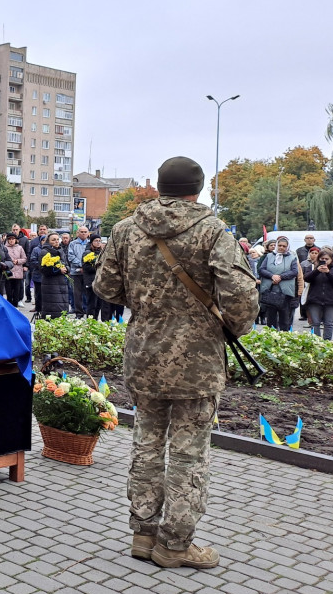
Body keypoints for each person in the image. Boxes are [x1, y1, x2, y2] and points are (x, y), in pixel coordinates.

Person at [94, 156, 258, 570]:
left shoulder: (125, 228)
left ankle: (142, 534)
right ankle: (176, 544)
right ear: (197, 190)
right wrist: (232, 327)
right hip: (197, 361)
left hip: (144, 354)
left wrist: (146, 304)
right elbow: (240, 294)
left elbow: (106, 287)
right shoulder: (211, 229)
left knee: (145, 444)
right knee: (189, 453)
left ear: (159, 188)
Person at [258, 236, 298, 332]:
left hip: (285, 292)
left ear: (287, 247)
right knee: (271, 318)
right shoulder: (269, 256)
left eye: (284, 246)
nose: (281, 248)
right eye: (279, 245)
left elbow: (294, 272)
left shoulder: (292, 258)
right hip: (271, 290)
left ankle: (284, 338)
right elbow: (261, 269)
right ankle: (271, 337)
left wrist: (280, 277)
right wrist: (272, 276)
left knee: (284, 318)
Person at [303, 248, 333, 340]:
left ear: (331, 260)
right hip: (314, 299)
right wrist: (317, 271)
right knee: (315, 323)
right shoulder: (311, 267)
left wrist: (328, 273)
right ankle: (316, 342)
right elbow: (306, 278)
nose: (324, 261)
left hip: (330, 300)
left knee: (328, 323)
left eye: (327, 259)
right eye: (322, 259)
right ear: (318, 259)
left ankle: (327, 343)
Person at [36, 232, 70, 318]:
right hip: (50, 284)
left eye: (57, 239)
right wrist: (58, 270)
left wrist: (66, 269)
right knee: (52, 307)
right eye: (53, 240)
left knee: (62, 306)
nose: (56, 241)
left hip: (62, 282)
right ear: (48, 241)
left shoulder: (61, 250)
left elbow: (67, 263)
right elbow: (43, 269)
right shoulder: (45, 252)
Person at [67, 226, 91, 314]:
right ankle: (78, 312)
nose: (83, 233)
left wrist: (86, 267)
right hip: (75, 272)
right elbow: (71, 256)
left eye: (85, 232)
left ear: (88, 233)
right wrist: (81, 265)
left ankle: (87, 310)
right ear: (78, 233)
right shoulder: (73, 244)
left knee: (88, 292)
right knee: (77, 293)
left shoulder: (90, 243)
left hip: (87, 272)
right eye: (81, 231)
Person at [2, 232, 27, 306]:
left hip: (18, 272)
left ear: (16, 240)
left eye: (13, 239)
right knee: (9, 291)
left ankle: (16, 305)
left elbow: (24, 258)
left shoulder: (20, 248)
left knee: (17, 291)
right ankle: (9, 305)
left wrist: (18, 261)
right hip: (8, 272)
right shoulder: (4, 248)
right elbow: (2, 259)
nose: (11, 240)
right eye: (9, 239)